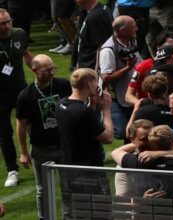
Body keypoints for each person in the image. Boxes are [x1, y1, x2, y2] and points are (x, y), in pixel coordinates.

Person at [15, 54, 70, 218]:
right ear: (35, 70)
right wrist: (23, 152)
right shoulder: (26, 95)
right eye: (47, 70)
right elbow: (21, 125)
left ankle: (69, 216)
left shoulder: (63, 86)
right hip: (40, 148)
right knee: (43, 189)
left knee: (68, 187)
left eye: (53, 68)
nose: (52, 72)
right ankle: (44, 217)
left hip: (63, 145)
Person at [55, 68, 115, 210]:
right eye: (95, 82)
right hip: (89, 173)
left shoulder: (61, 104)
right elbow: (108, 138)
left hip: (70, 170)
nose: (97, 86)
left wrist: (93, 105)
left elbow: (82, 126)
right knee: (99, 212)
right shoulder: (83, 112)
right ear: (89, 84)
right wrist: (106, 109)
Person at [0, 7, 30, 188]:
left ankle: (39, 157)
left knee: (34, 124)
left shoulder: (19, 34)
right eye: (1, 24)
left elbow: (25, 54)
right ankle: (12, 169)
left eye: (8, 21)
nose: (6, 26)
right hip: (0, 94)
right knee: (4, 133)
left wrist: (38, 67)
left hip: (20, 89)